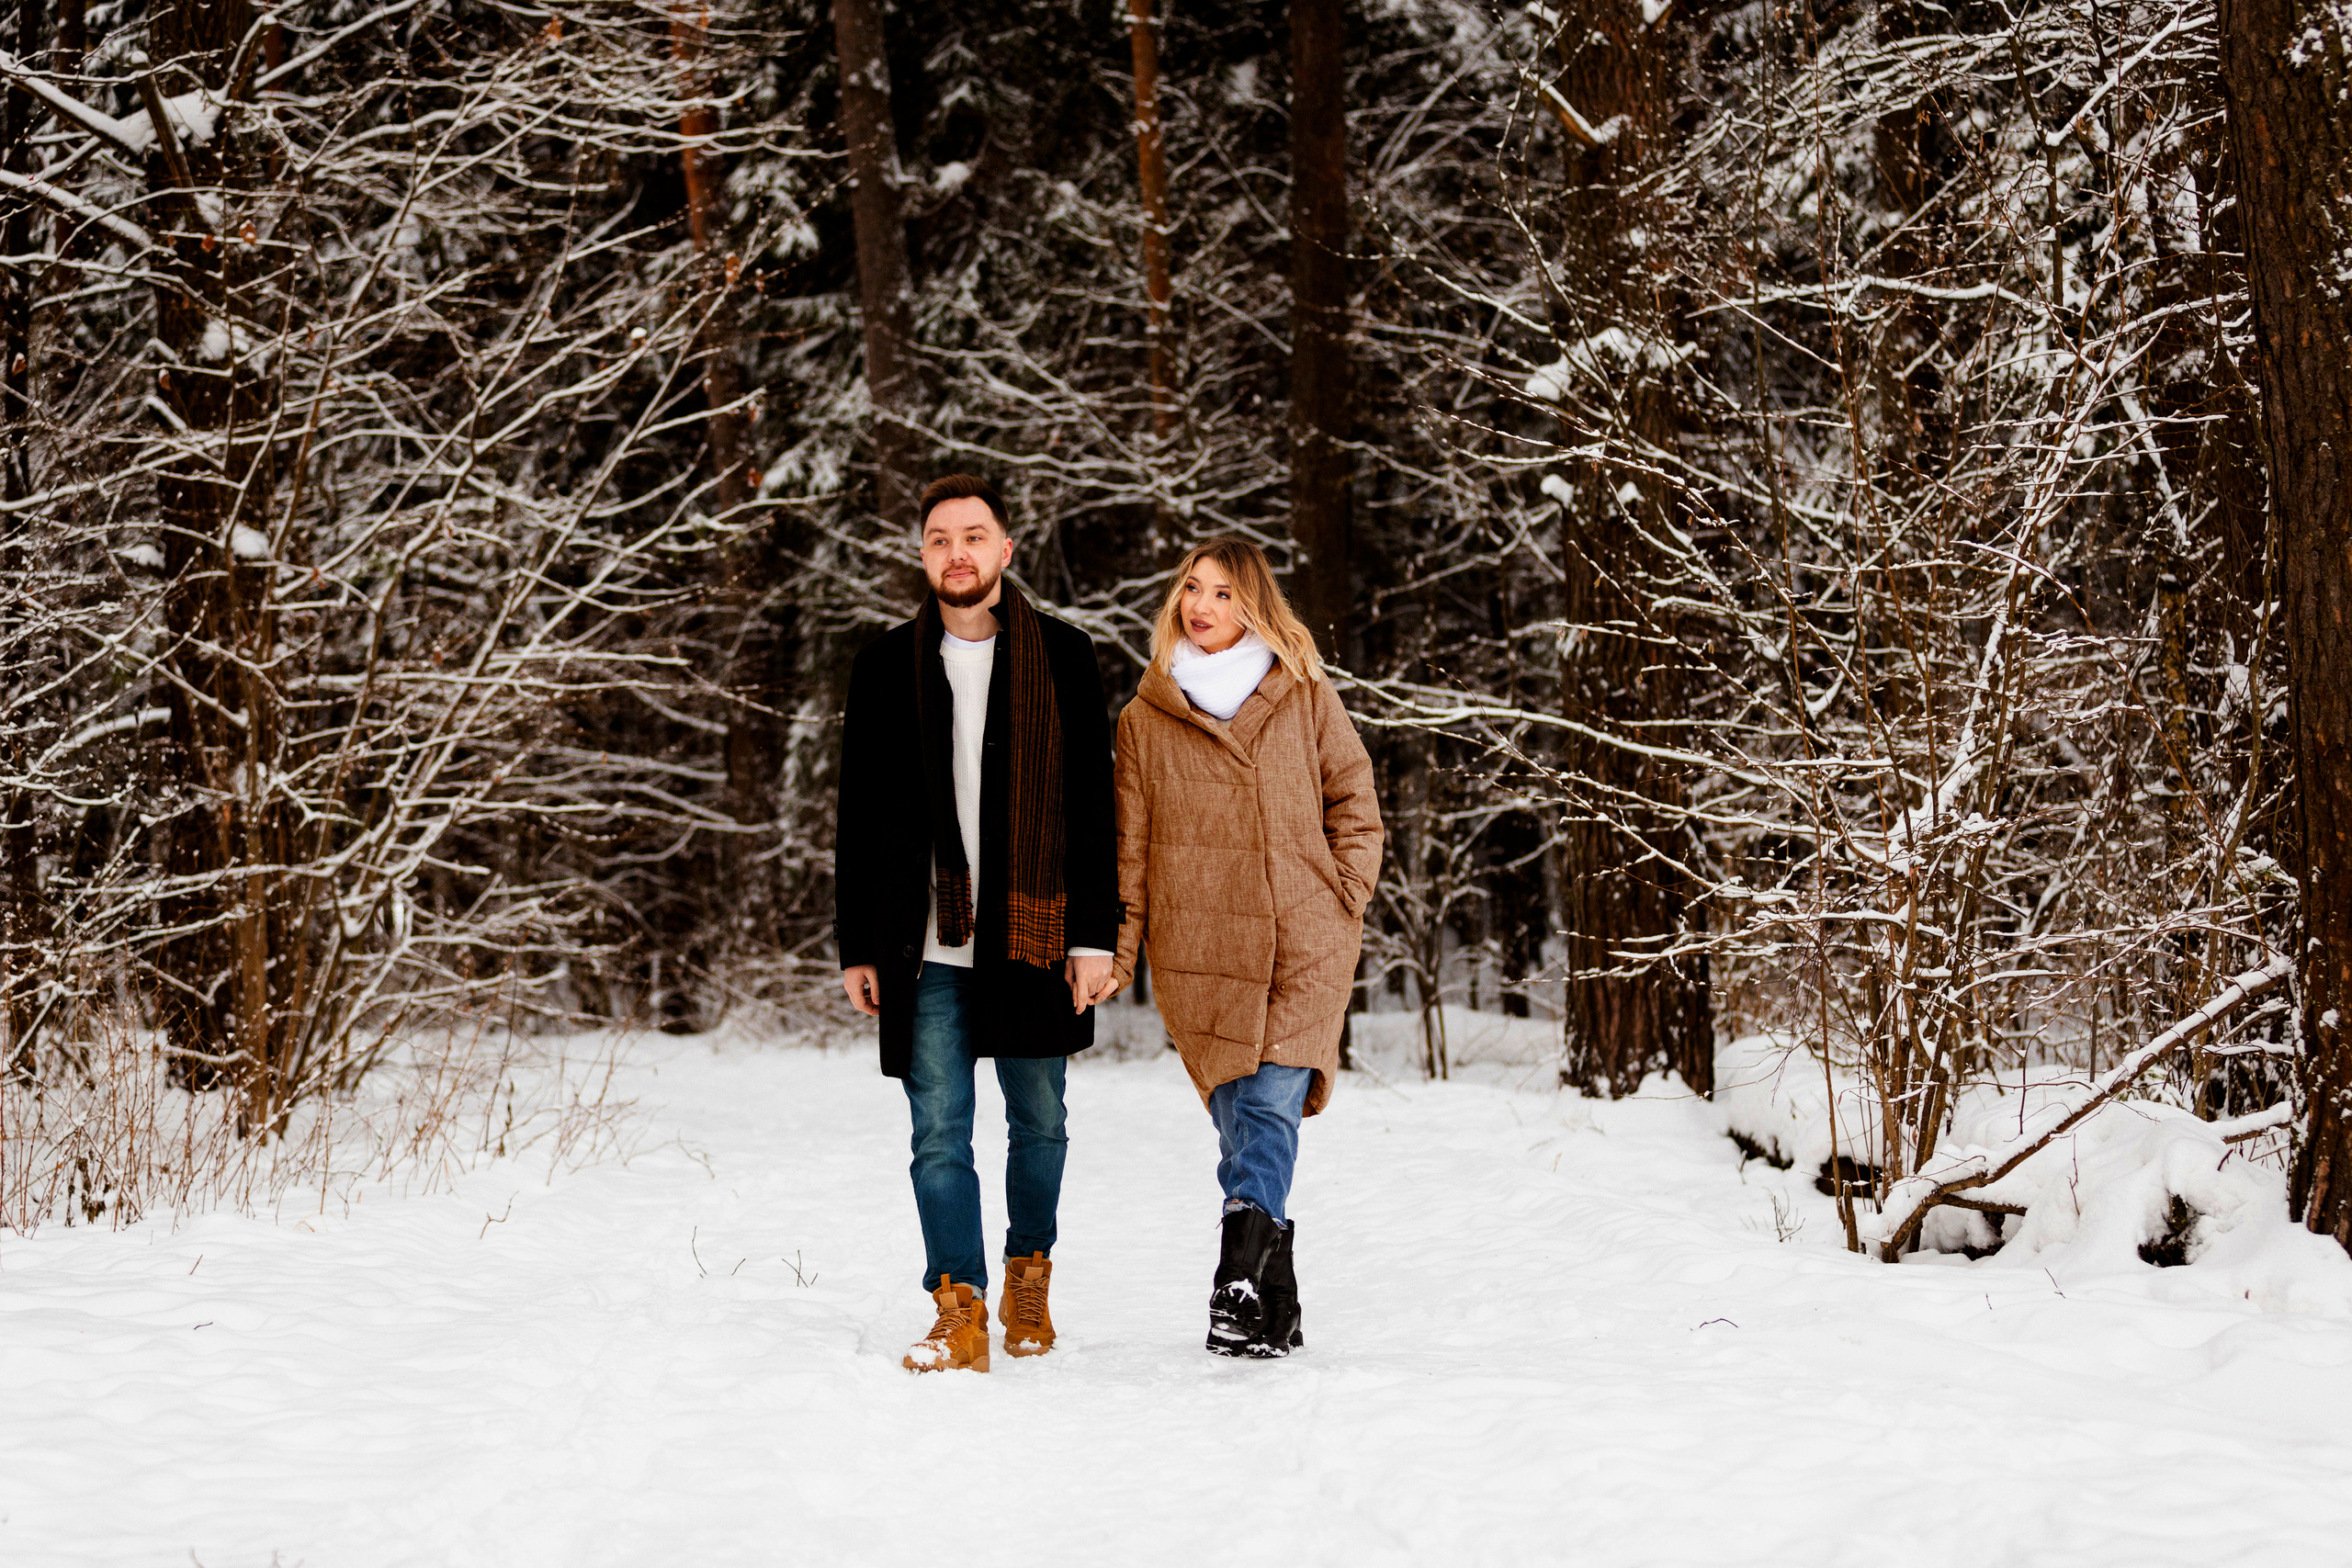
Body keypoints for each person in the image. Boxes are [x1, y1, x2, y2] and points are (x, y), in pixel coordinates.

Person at [835, 475, 1120, 1374]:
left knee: (1039, 1121)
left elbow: (1090, 807)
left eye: (973, 535)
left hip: (1031, 939)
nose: (956, 552)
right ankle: (955, 1307)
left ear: (1004, 549)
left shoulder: (1064, 657)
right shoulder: (883, 664)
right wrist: (855, 943)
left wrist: (1093, 937)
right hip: (920, 945)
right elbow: (857, 813)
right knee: (937, 1130)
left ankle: (1026, 1273)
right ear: (923, 558)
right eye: (938, 539)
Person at [1108, 536, 1383, 1357]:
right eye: (1193, 588)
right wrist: (1120, 955)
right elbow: (1130, 850)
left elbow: (1354, 799)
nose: (1203, 604)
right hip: (1200, 955)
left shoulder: (1301, 692)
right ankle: (1275, 1307)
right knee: (1243, 1128)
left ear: (1253, 603)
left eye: (1224, 592)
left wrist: (1344, 894)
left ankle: (1234, 1281)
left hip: (1304, 936)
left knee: (1267, 1106)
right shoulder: (1144, 721)